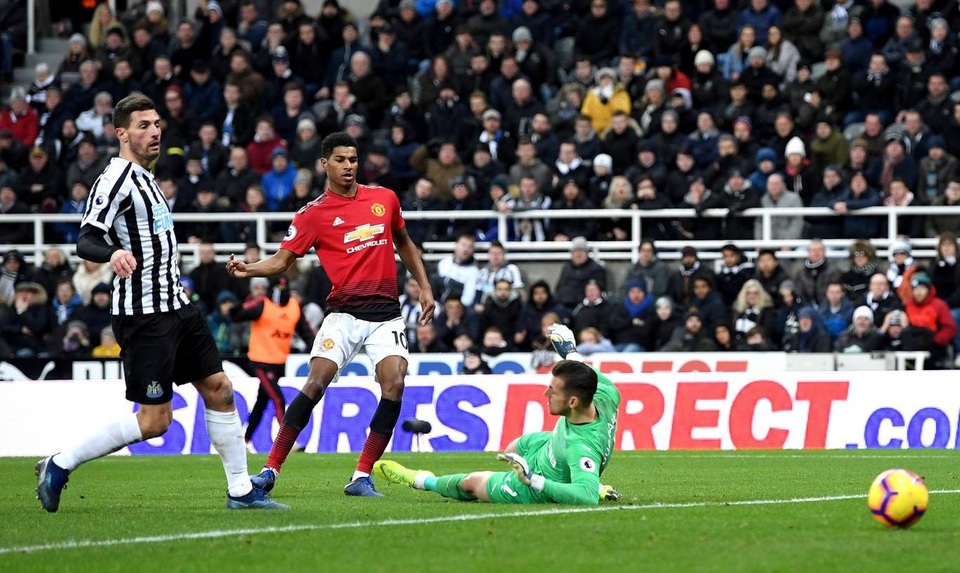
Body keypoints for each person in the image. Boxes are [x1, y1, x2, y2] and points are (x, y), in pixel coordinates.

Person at [35, 93, 287, 512]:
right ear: (121, 133)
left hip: (177, 306)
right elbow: (86, 238)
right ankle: (60, 464)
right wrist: (111, 253)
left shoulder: (148, 177)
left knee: (221, 390)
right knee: (156, 421)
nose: (153, 132)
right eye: (143, 126)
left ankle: (241, 491)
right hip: (144, 315)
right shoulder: (114, 179)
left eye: (156, 124)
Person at [226, 132, 436, 498]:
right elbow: (282, 260)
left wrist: (425, 287)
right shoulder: (313, 215)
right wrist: (250, 269)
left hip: (386, 315)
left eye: (353, 159)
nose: (348, 166)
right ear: (324, 164)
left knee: (395, 383)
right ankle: (270, 470)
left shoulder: (383, 199)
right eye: (340, 160)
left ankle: (361, 475)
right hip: (343, 315)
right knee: (316, 382)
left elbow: (404, 242)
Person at [374, 323, 621, 505]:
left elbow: (586, 498)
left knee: (472, 483)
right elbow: (586, 375)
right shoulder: (606, 393)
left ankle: (420, 479)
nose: (546, 394)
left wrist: (534, 480)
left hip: (538, 481)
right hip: (549, 444)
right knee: (511, 449)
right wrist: (570, 351)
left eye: (553, 391)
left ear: (574, 401)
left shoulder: (581, 447)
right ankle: (586, 478)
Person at [230, 276, 315, 451]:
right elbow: (237, 315)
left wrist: (317, 350)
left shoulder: (294, 307)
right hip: (260, 360)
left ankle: (243, 441)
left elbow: (306, 332)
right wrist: (240, 303)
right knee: (278, 398)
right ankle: (286, 441)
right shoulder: (262, 304)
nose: (280, 291)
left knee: (261, 403)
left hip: (278, 362)